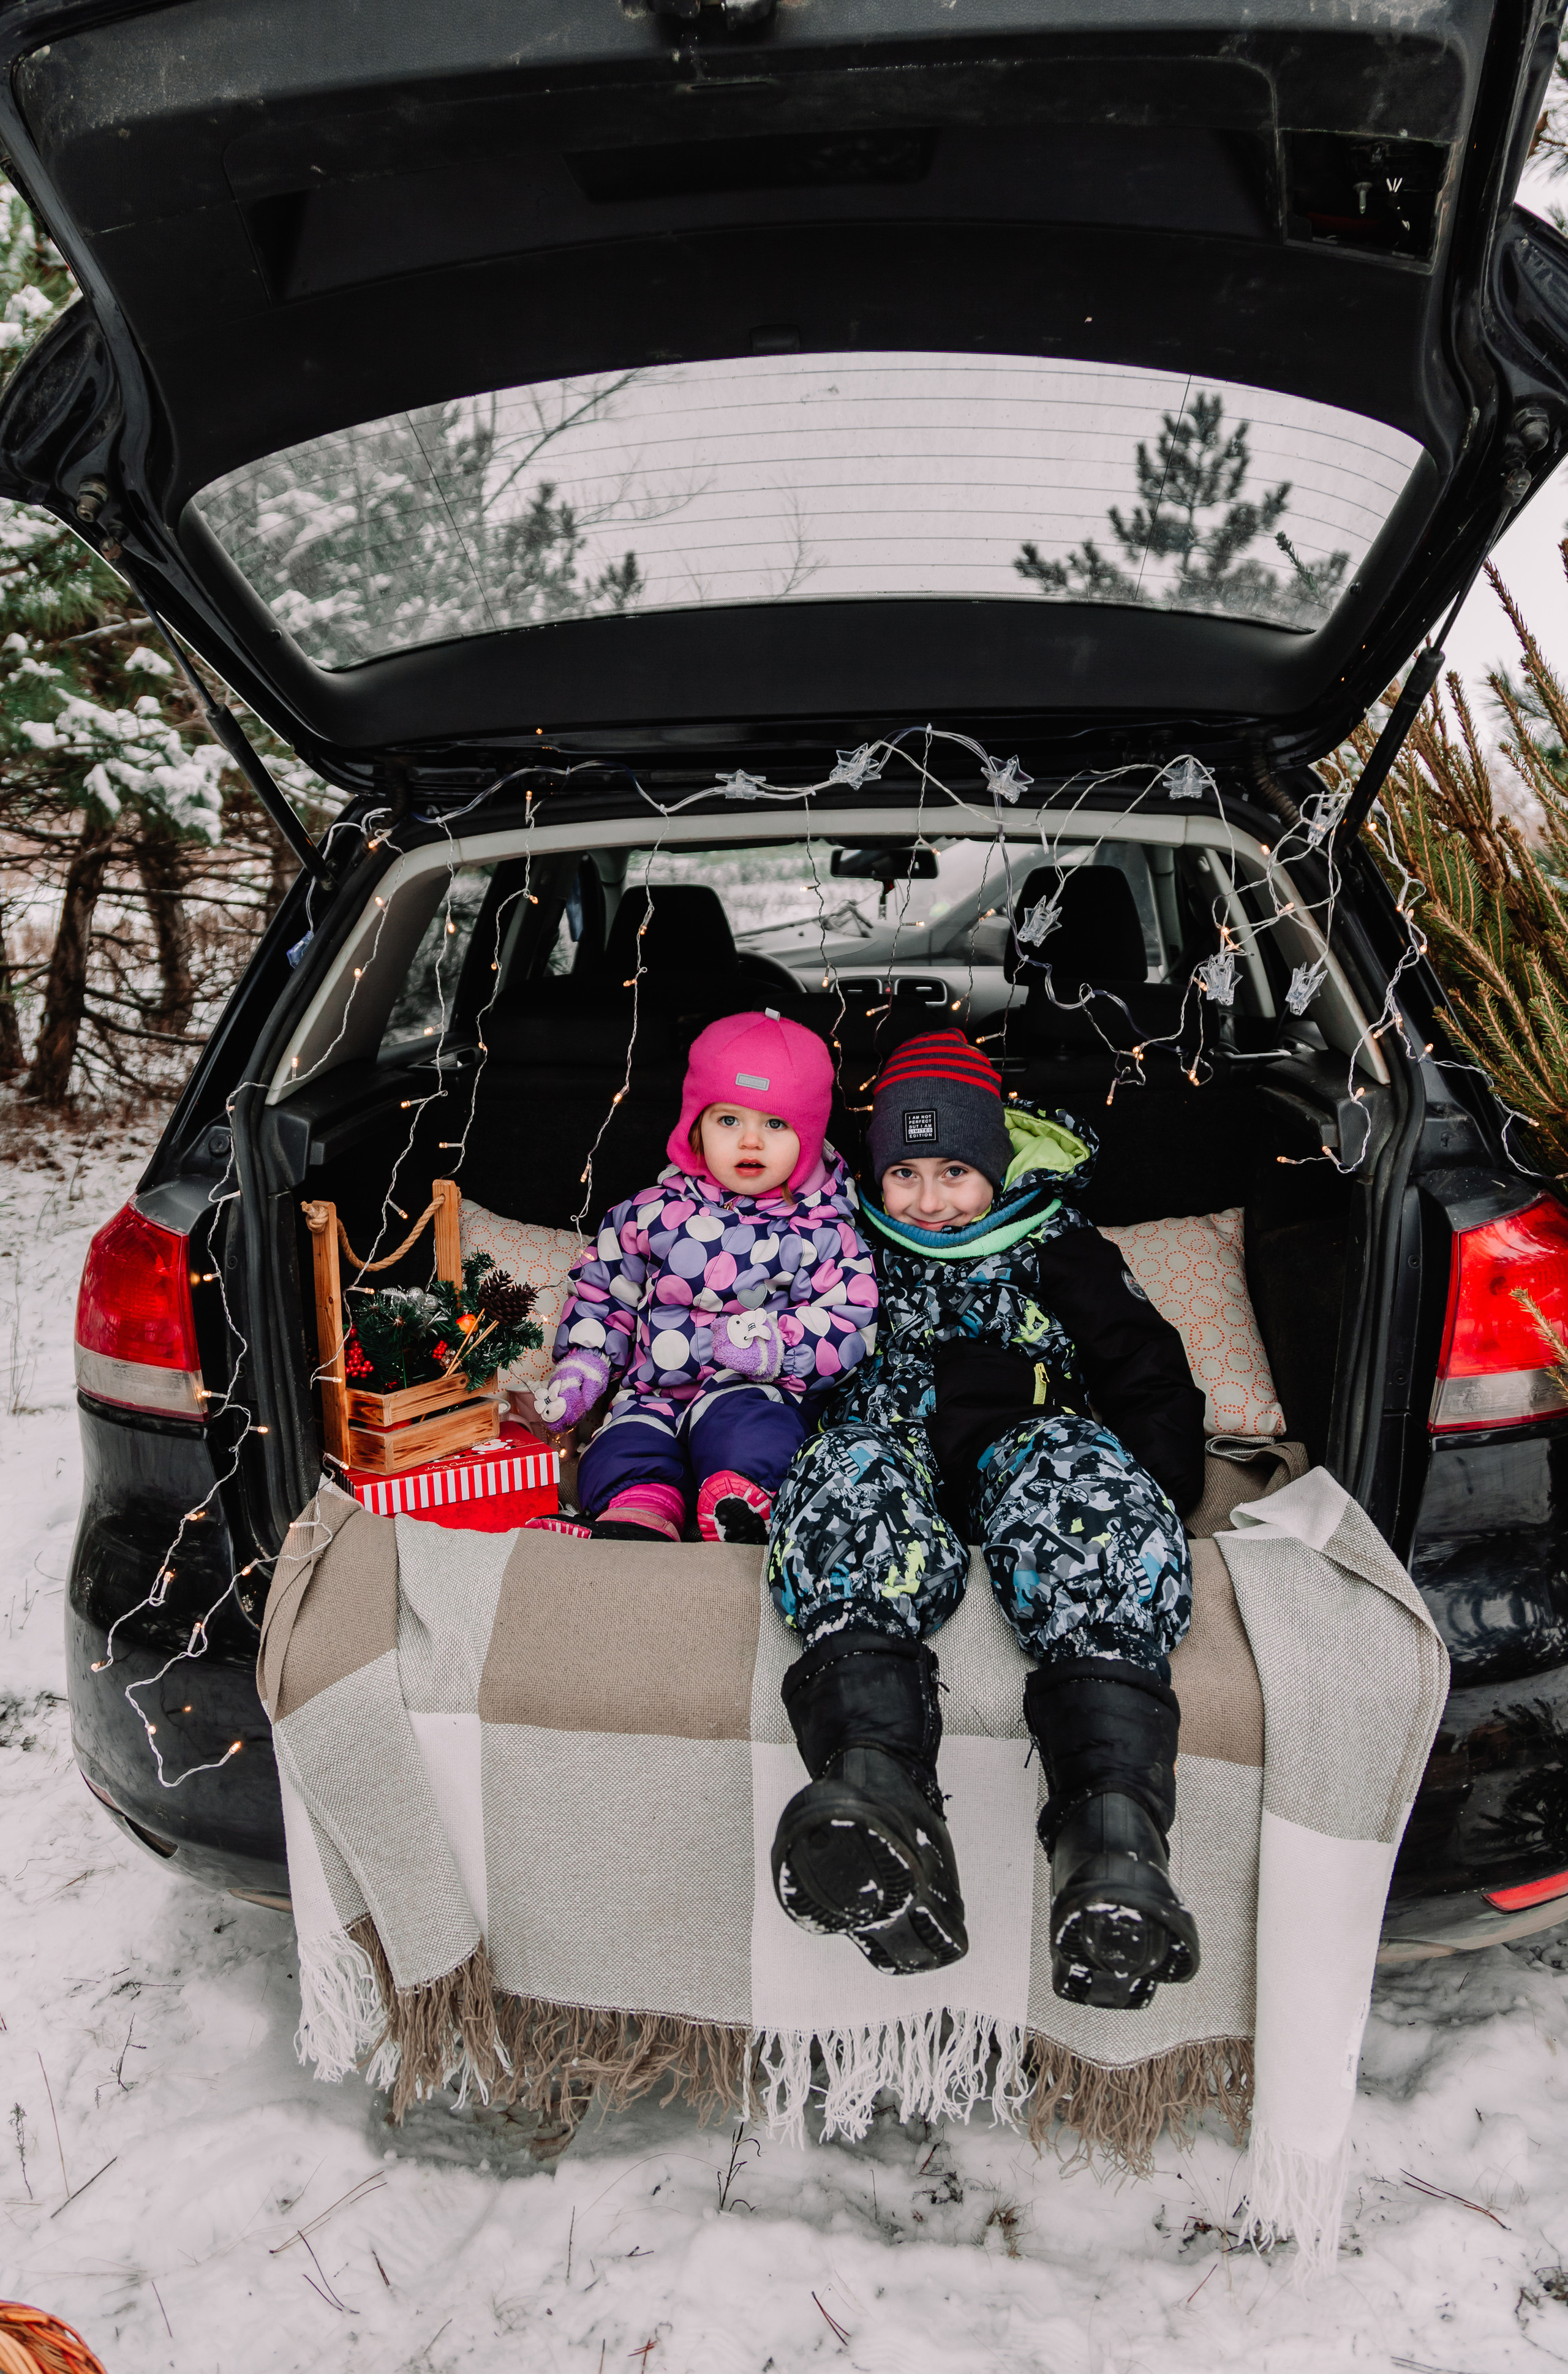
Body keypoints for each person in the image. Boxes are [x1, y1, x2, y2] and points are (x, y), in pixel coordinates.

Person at [765, 1029, 1208, 2005]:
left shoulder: (1059, 1244)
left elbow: (1145, 1362)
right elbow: (776, 1352)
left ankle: (1111, 1837)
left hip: (1025, 1431)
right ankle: (879, 1793)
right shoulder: (836, 1242)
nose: (928, 1198)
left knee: (1081, 1485)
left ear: (998, 1163)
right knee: (842, 1476)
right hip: (891, 1438)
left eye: (955, 1170)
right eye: (906, 1172)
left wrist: (1155, 1489)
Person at [518, 1010, 878, 1544]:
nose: (750, 1142)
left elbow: (849, 1322)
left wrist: (778, 1346)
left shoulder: (824, 1231)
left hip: (754, 1391)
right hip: (652, 1395)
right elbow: (604, 1291)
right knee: (622, 1446)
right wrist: (586, 1365)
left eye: (775, 1124)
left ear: (808, 1133)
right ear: (696, 1126)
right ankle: (639, 1512)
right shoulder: (648, 1213)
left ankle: (742, 1502)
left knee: (754, 1436)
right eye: (729, 1121)